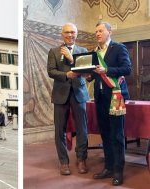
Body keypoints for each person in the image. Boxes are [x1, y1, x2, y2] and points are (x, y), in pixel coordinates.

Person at [90, 21, 131, 186]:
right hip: (100, 97)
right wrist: (89, 76)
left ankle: (118, 170)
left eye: (100, 30)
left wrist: (107, 70)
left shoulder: (118, 48)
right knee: (105, 134)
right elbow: (95, 74)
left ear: (109, 32)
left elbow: (127, 69)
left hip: (115, 96)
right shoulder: (95, 52)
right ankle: (108, 167)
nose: (97, 34)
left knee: (117, 135)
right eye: (96, 32)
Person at [47, 23, 90, 175]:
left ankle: (81, 159)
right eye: (67, 32)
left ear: (76, 34)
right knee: (60, 130)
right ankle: (64, 162)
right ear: (62, 34)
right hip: (60, 94)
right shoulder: (53, 51)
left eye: (72, 32)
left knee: (82, 129)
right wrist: (66, 75)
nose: (70, 35)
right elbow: (51, 71)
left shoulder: (83, 51)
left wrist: (72, 59)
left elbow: (86, 71)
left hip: (79, 92)